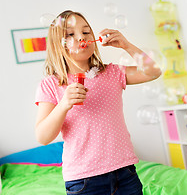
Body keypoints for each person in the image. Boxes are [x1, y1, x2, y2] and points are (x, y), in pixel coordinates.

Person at [35, 10, 162, 195]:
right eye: (71, 34)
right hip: (83, 181)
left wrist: (127, 45)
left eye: (86, 32)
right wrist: (63, 104)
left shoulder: (112, 73)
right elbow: (43, 137)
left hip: (125, 173)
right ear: (58, 45)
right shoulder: (52, 84)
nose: (81, 37)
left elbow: (153, 72)